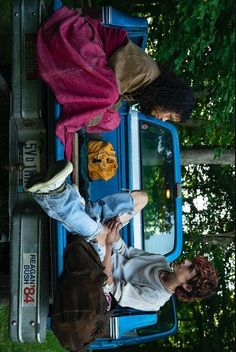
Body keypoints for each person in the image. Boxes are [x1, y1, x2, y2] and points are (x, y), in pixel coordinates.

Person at [25, 160, 218, 312]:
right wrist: (115, 236)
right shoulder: (161, 262)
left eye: (189, 268)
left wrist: (108, 244)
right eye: (190, 262)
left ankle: (53, 194)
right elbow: (125, 252)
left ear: (188, 287)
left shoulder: (155, 300)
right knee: (142, 199)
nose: (185, 261)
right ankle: (87, 209)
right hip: (108, 247)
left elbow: (109, 285)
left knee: (100, 235)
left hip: (100, 268)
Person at [37, 6, 195, 159]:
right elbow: (104, 91)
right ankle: (69, 120)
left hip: (90, 58)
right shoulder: (146, 72)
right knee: (108, 95)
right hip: (78, 39)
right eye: (169, 115)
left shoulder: (146, 88)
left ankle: (74, 117)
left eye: (168, 120)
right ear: (169, 99)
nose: (163, 119)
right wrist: (93, 115)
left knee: (113, 121)